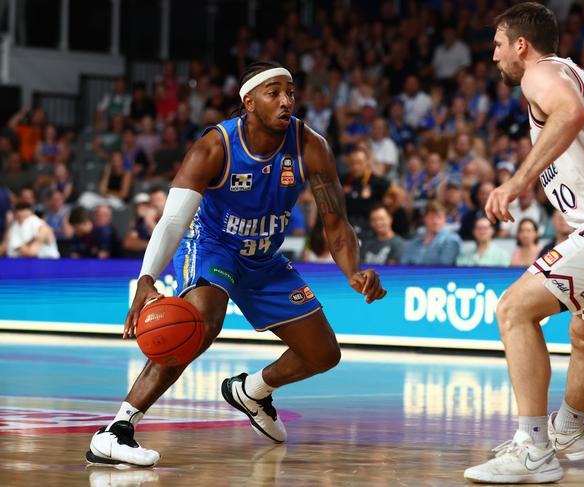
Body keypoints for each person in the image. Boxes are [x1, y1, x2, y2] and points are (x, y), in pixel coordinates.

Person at [86, 61, 386, 467]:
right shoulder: (215, 147)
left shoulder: (311, 146)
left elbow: (336, 221)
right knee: (200, 322)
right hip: (214, 246)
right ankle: (116, 430)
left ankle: (253, 391)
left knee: (323, 354)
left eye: (291, 93)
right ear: (249, 101)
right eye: (274, 93)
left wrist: (353, 271)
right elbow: (174, 219)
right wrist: (146, 278)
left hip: (263, 257)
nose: (287, 101)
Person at [465, 3, 584, 483]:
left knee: (513, 310)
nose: (494, 56)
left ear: (520, 45)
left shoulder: (540, 74)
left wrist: (515, 182)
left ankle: (533, 447)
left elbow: (570, 112)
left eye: (498, 46)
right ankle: (568, 428)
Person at [401, 200, 461, 266]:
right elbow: (404, 262)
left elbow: (444, 266)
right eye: (431, 217)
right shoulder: (416, 240)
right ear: (425, 219)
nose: (435, 221)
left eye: (439, 217)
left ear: (445, 219)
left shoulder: (451, 240)